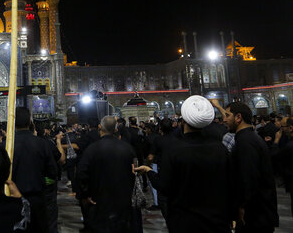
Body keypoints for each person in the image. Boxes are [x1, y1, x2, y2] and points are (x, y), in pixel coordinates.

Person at [136, 95, 233, 232]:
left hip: (185, 222)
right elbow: (231, 184)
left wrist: (148, 170)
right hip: (217, 221)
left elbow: (164, 186)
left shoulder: (174, 150)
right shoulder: (220, 149)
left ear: (184, 121)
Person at [223, 101, 279, 232]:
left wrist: (242, 207)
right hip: (258, 212)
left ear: (238, 117)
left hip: (255, 215)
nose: (224, 119)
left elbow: (249, 178)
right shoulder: (248, 137)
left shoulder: (246, 142)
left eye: (227, 115)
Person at [76, 115, 137, 233]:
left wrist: (85, 194)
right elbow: (135, 170)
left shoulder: (92, 149)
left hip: (99, 200)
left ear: (100, 127)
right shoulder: (128, 148)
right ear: (115, 129)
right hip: (123, 200)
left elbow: (81, 173)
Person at [11, 108, 58, 233]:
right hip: (37, 198)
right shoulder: (42, 144)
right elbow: (53, 172)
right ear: (30, 122)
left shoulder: (8, 145)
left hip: (13, 199)